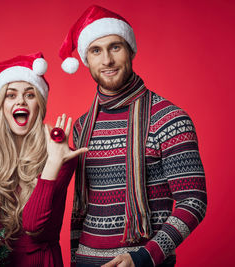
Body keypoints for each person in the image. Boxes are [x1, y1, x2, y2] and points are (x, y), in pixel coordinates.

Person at [59, 5, 207, 267]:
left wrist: (143, 257)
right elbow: (80, 209)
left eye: (115, 47)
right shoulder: (82, 126)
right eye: (96, 51)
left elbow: (193, 202)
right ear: (86, 60)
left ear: (130, 50)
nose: (106, 60)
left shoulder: (169, 119)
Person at [0, 52, 88, 266]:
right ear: (1, 105)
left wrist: (53, 163)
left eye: (30, 95)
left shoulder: (61, 156)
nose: (21, 101)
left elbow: (33, 224)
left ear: (40, 104)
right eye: (11, 95)